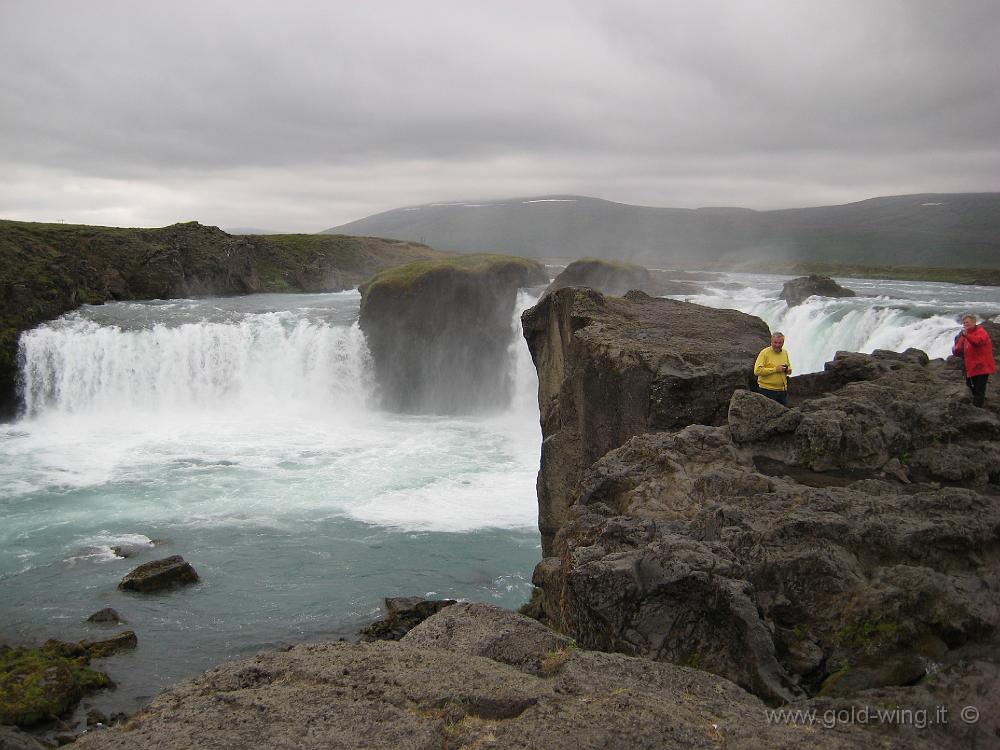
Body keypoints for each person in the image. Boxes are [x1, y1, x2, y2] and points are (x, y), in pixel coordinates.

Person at [952, 314, 995, 407]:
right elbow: (957, 349)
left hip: (982, 366)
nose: (965, 324)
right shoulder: (964, 334)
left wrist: (967, 335)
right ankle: (974, 405)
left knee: (979, 389)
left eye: (967, 322)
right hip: (971, 366)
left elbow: (978, 342)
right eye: (964, 323)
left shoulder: (981, 331)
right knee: (970, 386)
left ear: (974, 322)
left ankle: (977, 409)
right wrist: (955, 349)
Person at [754, 332, 792, 406]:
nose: (777, 345)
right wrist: (775, 369)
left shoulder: (785, 352)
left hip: (782, 391)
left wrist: (787, 370)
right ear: (771, 342)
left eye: (780, 343)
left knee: (785, 415)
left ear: (783, 343)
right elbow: (757, 371)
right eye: (775, 342)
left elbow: (789, 370)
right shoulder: (764, 353)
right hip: (767, 391)